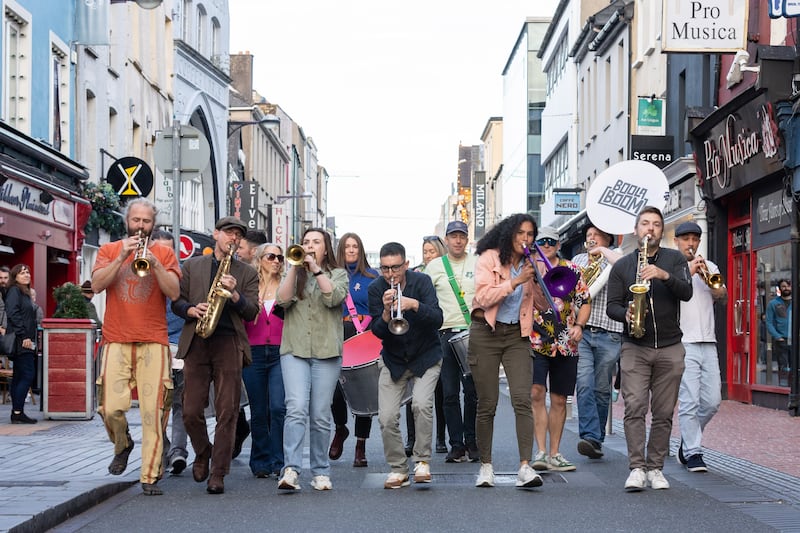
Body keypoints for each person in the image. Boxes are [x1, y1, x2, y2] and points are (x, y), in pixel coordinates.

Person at [91, 198, 181, 496]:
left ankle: (150, 476)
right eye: (136, 220)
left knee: (152, 412)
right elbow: (96, 286)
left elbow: (174, 292)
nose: (140, 226)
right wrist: (121, 258)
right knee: (109, 407)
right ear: (127, 221)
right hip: (116, 338)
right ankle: (123, 444)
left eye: (146, 221)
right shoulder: (109, 250)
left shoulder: (165, 252)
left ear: (153, 224)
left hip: (153, 340)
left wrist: (154, 262)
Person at [606, 206, 692, 491]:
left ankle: (655, 467)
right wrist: (626, 314)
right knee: (634, 407)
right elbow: (612, 307)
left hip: (670, 345)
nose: (650, 229)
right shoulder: (622, 266)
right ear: (636, 230)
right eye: (645, 224)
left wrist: (664, 275)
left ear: (661, 230)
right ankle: (636, 468)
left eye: (656, 224)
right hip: (635, 345)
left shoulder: (675, 258)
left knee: (664, 411)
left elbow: (687, 292)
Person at [172, 216, 259, 494]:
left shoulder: (246, 272)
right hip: (197, 339)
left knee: (228, 411)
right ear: (216, 234)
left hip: (229, 343)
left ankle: (218, 472)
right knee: (190, 410)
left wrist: (234, 295)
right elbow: (177, 301)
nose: (233, 239)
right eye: (229, 233)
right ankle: (202, 451)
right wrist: (189, 310)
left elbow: (251, 311)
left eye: (238, 236)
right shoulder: (192, 265)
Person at [470, 213, 543, 489]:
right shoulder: (489, 258)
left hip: (517, 335)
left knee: (522, 400)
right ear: (509, 234)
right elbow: (484, 296)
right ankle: (486, 466)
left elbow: (542, 305)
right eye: (520, 233)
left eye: (530, 234)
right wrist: (514, 281)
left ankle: (525, 466)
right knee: (487, 403)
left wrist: (539, 281)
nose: (526, 239)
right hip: (486, 332)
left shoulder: (531, 263)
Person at [276, 228, 348, 492]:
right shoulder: (292, 272)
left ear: (325, 248)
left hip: (326, 351)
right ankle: (291, 469)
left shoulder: (338, 274)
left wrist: (316, 269)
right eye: (305, 242)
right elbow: (281, 300)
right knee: (295, 407)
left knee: (319, 414)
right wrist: (295, 268)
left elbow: (334, 298)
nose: (309, 246)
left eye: (316, 242)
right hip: (294, 349)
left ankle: (320, 471)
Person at [369, 242, 443, 489]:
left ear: (406, 265)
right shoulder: (376, 288)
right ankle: (399, 468)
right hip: (394, 358)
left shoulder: (421, 283)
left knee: (421, 405)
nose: (390, 274)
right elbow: (378, 332)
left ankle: (422, 461)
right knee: (387, 416)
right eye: (385, 269)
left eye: (396, 268)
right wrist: (387, 313)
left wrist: (414, 305)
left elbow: (437, 319)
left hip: (426, 355)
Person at [530, 227, 590, 473]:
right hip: (534, 339)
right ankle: (541, 451)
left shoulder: (573, 269)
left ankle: (555, 452)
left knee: (558, 399)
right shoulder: (529, 268)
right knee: (535, 392)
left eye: (551, 241)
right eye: (541, 241)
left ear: (558, 244)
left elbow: (584, 302)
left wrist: (579, 325)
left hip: (566, 341)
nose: (546, 245)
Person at [673, 221, 727, 473]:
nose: (691, 244)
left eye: (695, 239)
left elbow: (722, 295)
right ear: (676, 241)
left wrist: (712, 283)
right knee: (689, 400)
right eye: (686, 239)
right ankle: (694, 452)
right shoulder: (672, 267)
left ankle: (688, 440)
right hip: (684, 341)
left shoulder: (711, 266)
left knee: (713, 401)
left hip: (709, 341)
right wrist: (689, 272)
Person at [424, 221, 479, 463]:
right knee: (448, 393)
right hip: (444, 334)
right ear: (445, 239)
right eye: (453, 236)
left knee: (472, 393)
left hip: (473, 333)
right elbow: (426, 299)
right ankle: (455, 444)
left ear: (467, 239)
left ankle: (472, 442)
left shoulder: (478, 262)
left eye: (461, 236)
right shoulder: (434, 267)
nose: (457, 240)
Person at [572, 223, 623, 460]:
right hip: (582, 329)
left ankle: (597, 437)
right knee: (583, 383)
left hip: (609, 330)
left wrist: (602, 253)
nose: (591, 238)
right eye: (589, 235)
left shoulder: (617, 257)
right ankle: (589, 436)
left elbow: (622, 268)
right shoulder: (579, 260)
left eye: (597, 235)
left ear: (608, 239)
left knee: (602, 389)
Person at [328, 232, 379, 467]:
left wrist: (365, 324)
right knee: (335, 390)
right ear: (341, 249)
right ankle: (340, 428)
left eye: (355, 246)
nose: (351, 250)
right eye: (347, 246)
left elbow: (377, 308)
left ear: (360, 250)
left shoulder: (371, 277)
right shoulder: (331, 275)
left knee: (363, 391)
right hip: (336, 334)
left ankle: (361, 445)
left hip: (362, 334)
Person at [243, 243, 286, 478]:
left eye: (280, 257)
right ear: (259, 259)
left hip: (281, 351)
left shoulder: (286, 285)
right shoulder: (249, 287)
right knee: (259, 410)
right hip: (254, 351)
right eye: (271, 256)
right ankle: (260, 460)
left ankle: (278, 460)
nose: (277, 261)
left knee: (278, 407)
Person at [149, 230, 188, 476]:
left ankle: (178, 452)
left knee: (180, 403)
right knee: (154, 404)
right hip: (152, 346)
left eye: (168, 250)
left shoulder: (182, 275)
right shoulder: (142, 271)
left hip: (179, 347)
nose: (164, 255)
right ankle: (162, 448)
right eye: (159, 250)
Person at [406, 235, 448, 456]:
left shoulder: (447, 273)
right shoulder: (416, 274)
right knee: (411, 393)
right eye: (425, 251)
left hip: (441, 331)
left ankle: (441, 438)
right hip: (418, 336)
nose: (428, 255)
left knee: (439, 392)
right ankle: (411, 438)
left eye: (432, 251)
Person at [230, 229, 266, 458]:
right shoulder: (236, 272)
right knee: (234, 393)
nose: (237, 251)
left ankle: (262, 448)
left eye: (240, 248)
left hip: (258, 343)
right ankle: (240, 427)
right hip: (236, 339)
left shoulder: (258, 275)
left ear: (253, 252)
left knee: (260, 401)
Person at [5, 264, 38, 424]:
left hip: (26, 340)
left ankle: (17, 412)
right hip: (21, 340)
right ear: (15, 276)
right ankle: (18, 411)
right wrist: (24, 335)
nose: (26, 275)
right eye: (22, 272)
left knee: (20, 375)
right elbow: (13, 313)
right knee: (27, 374)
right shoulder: (14, 291)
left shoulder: (24, 293)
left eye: (27, 272)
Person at [766, 279, 792, 378]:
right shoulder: (773, 304)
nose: (786, 288)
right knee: (783, 366)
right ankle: (783, 386)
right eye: (784, 286)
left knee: (796, 366)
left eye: (788, 286)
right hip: (781, 340)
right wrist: (777, 336)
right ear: (780, 288)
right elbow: (769, 322)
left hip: (795, 339)